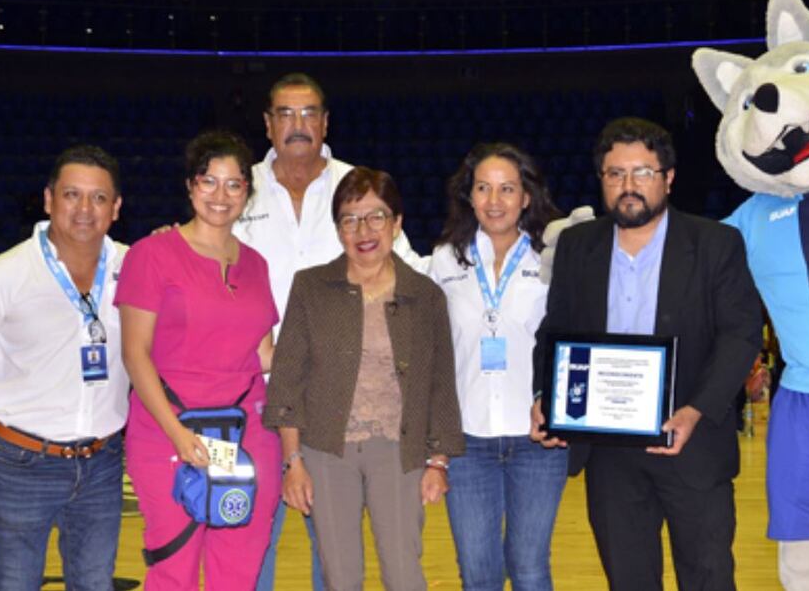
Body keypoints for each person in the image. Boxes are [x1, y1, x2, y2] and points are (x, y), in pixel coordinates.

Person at [529, 117, 762, 590]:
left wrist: (695, 411)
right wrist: (546, 398)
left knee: (709, 578)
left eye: (643, 173)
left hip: (692, 444)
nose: (628, 186)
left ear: (668, 177)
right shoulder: (578, 245)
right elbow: (555, 331)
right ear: (602, 180)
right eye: (615, 174)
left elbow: (741, 334)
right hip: (610, 453)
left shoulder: (716, 243)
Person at [236, 73, 422, 591]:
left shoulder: (357, 189)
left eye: (309, 113)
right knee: (252, 545)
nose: (298, 125)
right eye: (286, 114)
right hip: (249, 402)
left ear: (325, 122)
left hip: (335, 409)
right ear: (268, 123)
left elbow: (408, 281)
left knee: (334, 557)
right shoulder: (238, 191)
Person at [265, 167, 463, 590]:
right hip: (325, 452)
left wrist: (438, 462)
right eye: (350, 219)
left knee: (404, 573)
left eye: (376, 216)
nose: (363, 230)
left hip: (399, 451)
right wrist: (293, 462)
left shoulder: (425, 295)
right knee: (339, 576)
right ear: (338, 229)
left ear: (397, 223)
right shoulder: (311, 287)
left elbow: (441, 384)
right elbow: (286, 381)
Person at [0, 145, 129, 589]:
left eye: (99, 198)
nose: (85, 209)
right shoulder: (0, 275)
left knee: (94, 584)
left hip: (102, 461)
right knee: (13, 583)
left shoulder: (135, 265)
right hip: (23, 461)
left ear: (116, 208)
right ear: (49, 200)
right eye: (72, 195)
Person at [116, 130, 282, 588]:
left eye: (234, 184)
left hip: (246, 434)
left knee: (240, 566)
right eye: (209, 181)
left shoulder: (256, 264)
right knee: (175, 566)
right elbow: (135, 353)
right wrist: (178, 434)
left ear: (247, 193)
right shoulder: (152, 255)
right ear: (190, 185)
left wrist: (332, 344)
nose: (221, 195)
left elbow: (265, 353)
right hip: (169, 431)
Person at [430, 143, 568, 591]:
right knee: (478, 574)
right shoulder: (444, 259)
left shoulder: (554, 255)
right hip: (467, 441)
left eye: (507, 189)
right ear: (469, 196)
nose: (494, 201)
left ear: (526, 196)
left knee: (530, 568)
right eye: (483, 188)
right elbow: (432, 348)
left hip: (538, 439)